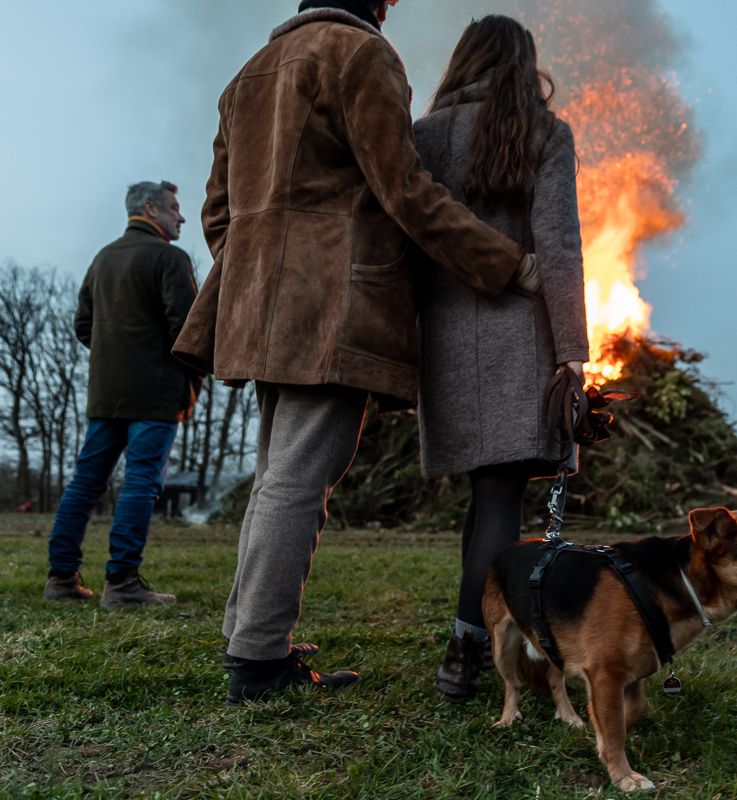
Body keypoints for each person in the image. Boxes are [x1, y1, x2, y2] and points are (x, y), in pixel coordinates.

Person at [172, 0, 536, 705]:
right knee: (300, 480)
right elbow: (403, 188)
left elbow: (220, 212)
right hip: (332, 305)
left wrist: (262, 274)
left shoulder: (249, 72)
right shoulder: (360, 54)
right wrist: (504, 263)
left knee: (277, 473)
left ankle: (251, 632)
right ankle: (256, 661)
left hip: (260, 309)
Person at [413, 15, 590, 703]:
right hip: (521, 335)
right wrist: (574, 350)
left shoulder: (426, 136)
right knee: (497, 499)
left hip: (449, 340)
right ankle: (465, 648)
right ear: (524, 63)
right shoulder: (545, 132)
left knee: (486, 497)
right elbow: (560, 246)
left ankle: (475, 641)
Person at [43, 182, 199, 609]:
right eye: (174, 208)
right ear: (150, 209)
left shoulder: (102, 258)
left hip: (106, 395)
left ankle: (60, 579)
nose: (180, 217)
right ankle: (123, 584)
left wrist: (119, 355)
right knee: (142, 482)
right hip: (155, 395)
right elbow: (188, 329)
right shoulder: (170, 257)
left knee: (86, 483)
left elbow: (83, 325)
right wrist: (192, 373)